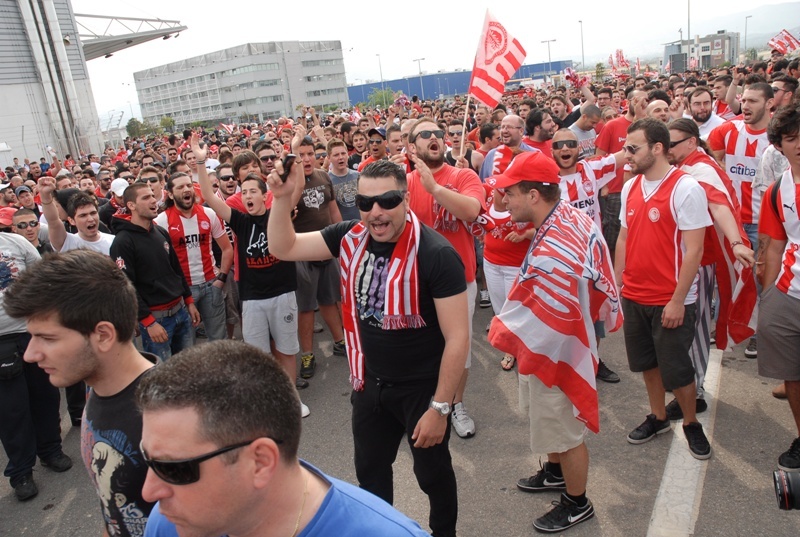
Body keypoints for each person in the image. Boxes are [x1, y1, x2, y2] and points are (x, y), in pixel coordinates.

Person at [267, 159, 469, 537]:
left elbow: (458, 338)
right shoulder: (349, 236)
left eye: (388, 200)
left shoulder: (436, 254)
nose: (375, 212)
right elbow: (284, 246)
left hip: (421, 389)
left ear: (407, 200)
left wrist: (440, 408)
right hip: (369, 383)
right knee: (372, 480)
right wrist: (280, 199)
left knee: (433, 477)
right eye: (365, 203)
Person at [137, 340, 432, 537]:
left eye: (172, 469)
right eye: (147, 460)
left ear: (261, 462)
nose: (149, 492)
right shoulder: (168, 524)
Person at [487, 150, 621, 534]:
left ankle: (577, 503)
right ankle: (555, 472)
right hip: (550, 344)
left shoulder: (554, 249)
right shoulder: (566, 218)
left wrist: (501, 331)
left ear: (533, 195)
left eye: (509, 192)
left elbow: (550, 315)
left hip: (557, 352)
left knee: (563, 429)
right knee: (549, 424)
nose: (503, 200)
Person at [5, 249, 157, 534]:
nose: (30, 354)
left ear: (102, 335)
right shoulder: (98, 389)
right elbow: (113, 508)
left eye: (46, 338)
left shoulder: (171, 418)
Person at [615, 118, 713, 460]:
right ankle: (657, 416)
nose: (626, 155)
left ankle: (690, 423)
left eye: (632, 148)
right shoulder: (630, 187)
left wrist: (676, 301)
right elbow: (624, 237)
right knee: (647, 364)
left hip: (669, 299)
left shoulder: (686, 188)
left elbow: (695, 251)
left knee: (678, 370)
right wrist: (618, 284)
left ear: (657, 148)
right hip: (635, 295)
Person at [191, 134, 310, 416]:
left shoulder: (277, 213)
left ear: (264, 195)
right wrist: (199, 159)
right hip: (253, 297)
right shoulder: (239, 220)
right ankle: (265, 402)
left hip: (283, 292)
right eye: (243, 193)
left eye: (252, 192)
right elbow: (207, 195)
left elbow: (299, 185)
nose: (247, 196)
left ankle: (291, 398)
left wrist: (294, 152)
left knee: (286, 350)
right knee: (258, 355)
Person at [665, 119, 757, 418]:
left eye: (672, 144)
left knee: (695, 327)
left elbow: (720, 206)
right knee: (683, 326)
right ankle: (686, 383)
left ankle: (695, 389)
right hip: (676, 260)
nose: (666, 150)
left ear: (691, 143)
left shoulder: (700, 170)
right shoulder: (682, 167)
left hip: (698, 263)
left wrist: (735, 243)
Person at [407, 118, 486, 440]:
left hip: (459, 281)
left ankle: (456, 404)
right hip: (416, 283)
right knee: (421, 350)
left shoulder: (462, 175)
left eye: (438, 133)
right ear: (412, 146)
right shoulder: (403, 181)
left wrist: (435, 189)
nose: (435, 138)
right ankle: (424, 406)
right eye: (425, 135)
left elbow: (472, 210)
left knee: (459, 349)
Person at [0, 232, 71, 502]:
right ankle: (20, 472)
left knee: (46, 394)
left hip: (30, 332)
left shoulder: (14, 241)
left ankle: (51, 450)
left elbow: (41, 279)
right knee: (12, 411)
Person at [708, 83, 775, 359]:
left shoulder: (777, 137)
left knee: (763, 280)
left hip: (765, 224)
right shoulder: (728, 129)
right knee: (728, 277)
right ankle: (724, 327)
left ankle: (760, 334)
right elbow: (709, 154)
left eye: (753, 101)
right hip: (732, 222)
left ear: (770, 104)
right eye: (743, 100)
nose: (745, 106)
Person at [110, 183, 201, 361]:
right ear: (131, 205)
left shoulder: (160, 231)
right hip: (156, 320)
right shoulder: (123, 242)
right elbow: (126, 286)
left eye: (153, 195)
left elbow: (176, 269)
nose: (153, 200)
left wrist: (189, 301)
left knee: (187, 369)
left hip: (180, 311)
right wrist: (147, 321)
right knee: (162, 376)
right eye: (145, 197)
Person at [758, 103, 800, 471]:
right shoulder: (776, 191)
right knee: (793, 373)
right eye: (791, 138)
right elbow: (773, 245)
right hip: (789, 293)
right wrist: (769, 296)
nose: (798, 144)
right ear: (780, 145)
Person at [154, 172, 233, 342]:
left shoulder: (209, 214)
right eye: (180, 187)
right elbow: (159, 262)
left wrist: (222, 278)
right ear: (170, 193)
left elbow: (227, 248)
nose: (186, 189)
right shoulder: (162, 221)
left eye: (189, 185)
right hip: (184, 290)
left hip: (212, 284)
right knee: (187, 341)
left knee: (219, 339)